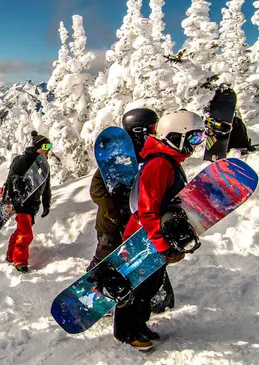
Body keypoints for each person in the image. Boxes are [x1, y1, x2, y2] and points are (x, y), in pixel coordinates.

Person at [115, 110, 206, 351]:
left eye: (200, 138)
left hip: (154, 237)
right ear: (176, 137)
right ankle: (128, 332)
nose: (196, 145)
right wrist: (162, 245)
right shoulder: (159, 165)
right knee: (137, 286)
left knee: (151, 285)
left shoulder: (169, 161)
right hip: (143, 237)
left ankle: (140, 325)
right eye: (194, 138)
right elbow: (146, 210)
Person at [86, 108, 159, 272]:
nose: (155, 133)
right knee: (105, 257)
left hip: (133, 222)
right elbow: (96, 189)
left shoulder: (150, 157)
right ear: (139, 130)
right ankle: (93, 281)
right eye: (153, 128)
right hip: (110, 223)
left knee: (128, 261)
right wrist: (113, 210)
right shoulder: (117, 158)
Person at [3, 131, 52, 273]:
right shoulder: (23, 161)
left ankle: (10, 255)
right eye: (44, 146)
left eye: (49, 146)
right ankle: (19, 260)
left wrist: (46, 203)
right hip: (21, 203)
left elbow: (46, 186)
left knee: (20, 230)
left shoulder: (44, 165)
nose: (47, 149)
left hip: (33, 205)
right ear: (36, 146)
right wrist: (10, 197)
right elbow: (9, 181)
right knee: (26, 234)